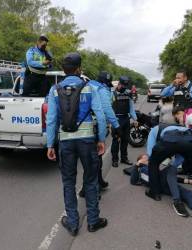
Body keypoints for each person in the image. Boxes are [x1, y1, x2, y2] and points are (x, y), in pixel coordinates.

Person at [46, 52, 108, 236]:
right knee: (90, 180)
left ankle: (72, 223)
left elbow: (51, 120)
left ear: (64, 71)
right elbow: (101, 117)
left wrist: (50, 144)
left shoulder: (54, 90)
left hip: (65, 142)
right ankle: (93, 221)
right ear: (79, 69)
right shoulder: (90, 88)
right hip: (87, 141)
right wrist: (102, 140)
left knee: (68, 182)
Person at [129, 154, 192, 225]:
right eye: (145, 157)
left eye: (147, 157)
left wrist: (189, 181)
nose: (147, 157)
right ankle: (177, 202)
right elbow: (133, 181)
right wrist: (137, 165)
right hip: (157, 184)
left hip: (167, 184)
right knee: (170, 168)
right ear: (140, 160)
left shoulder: (153, 166)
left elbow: (170, 177)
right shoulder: (142, 169)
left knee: (187, 192)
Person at [79, 71, 121, 197]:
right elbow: (107, 110)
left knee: (90, 160)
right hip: (95, 127)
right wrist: (116, 126)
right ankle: (90, 189)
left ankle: (98, 182)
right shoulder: (102, 90)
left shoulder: (87, 85)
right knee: (95, 159)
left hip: (82, 127)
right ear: (105, 82)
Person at [146, 123, 192, 202]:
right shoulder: (181, 127)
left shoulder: (153, 130)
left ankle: (154, 192)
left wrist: (163, 166)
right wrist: (173, 166)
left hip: (171, 139)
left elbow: (151, 154)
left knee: (153, 163)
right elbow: (180, 155)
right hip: (191, 141)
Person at [111, 76, 138, 167]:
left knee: (125, 140)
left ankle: (124, 158)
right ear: (119, 84)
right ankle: (115, 159)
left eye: (126, 85)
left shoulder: (128, 93)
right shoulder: (112, 94)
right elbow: (108, 108)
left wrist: (135, 119)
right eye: (123, 85)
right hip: (116, 119)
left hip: (126, 119)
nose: (124, 87)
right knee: (116, 140)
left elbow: (131, 107)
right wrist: (109, 122)